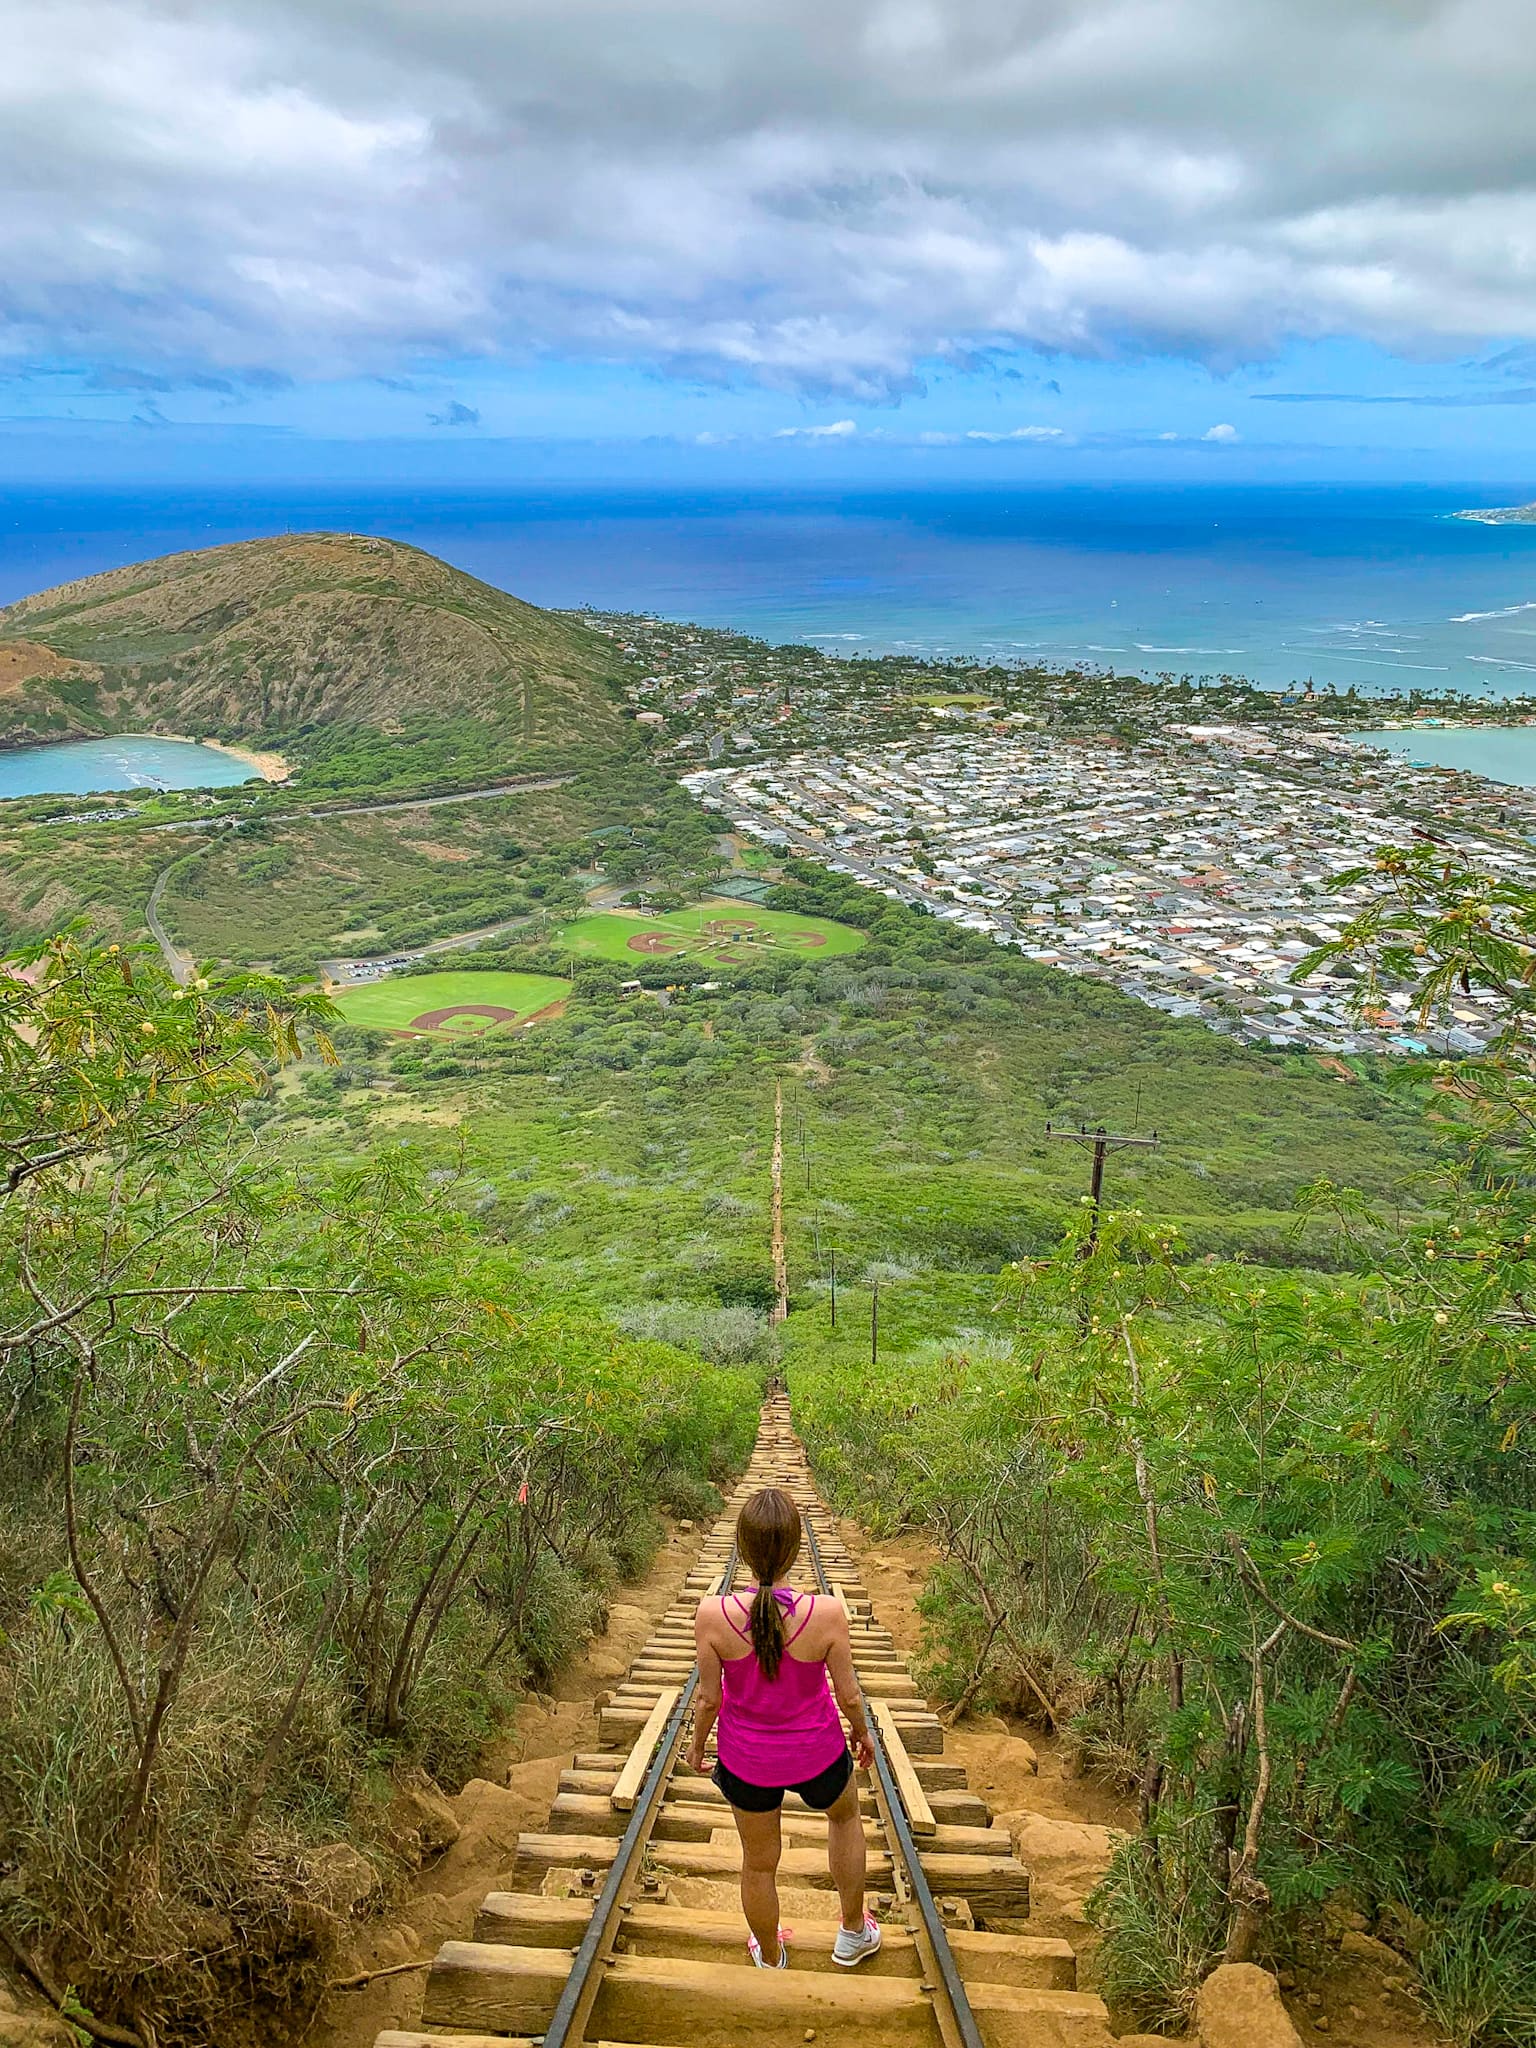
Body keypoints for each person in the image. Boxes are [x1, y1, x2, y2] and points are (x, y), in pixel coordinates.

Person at [686, 1485, 881, 1970]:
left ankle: (770, 1955)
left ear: (742, 1549)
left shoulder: (713, 1616)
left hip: (747, 1764)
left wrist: (695, 1747)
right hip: (819, 1755)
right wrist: (862, 1733)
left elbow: (710, 1699)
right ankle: (853, 1932)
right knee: (844, 1817)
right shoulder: (827, 1614)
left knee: (757, 1862)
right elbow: (849, 1694)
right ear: (795, 1548)